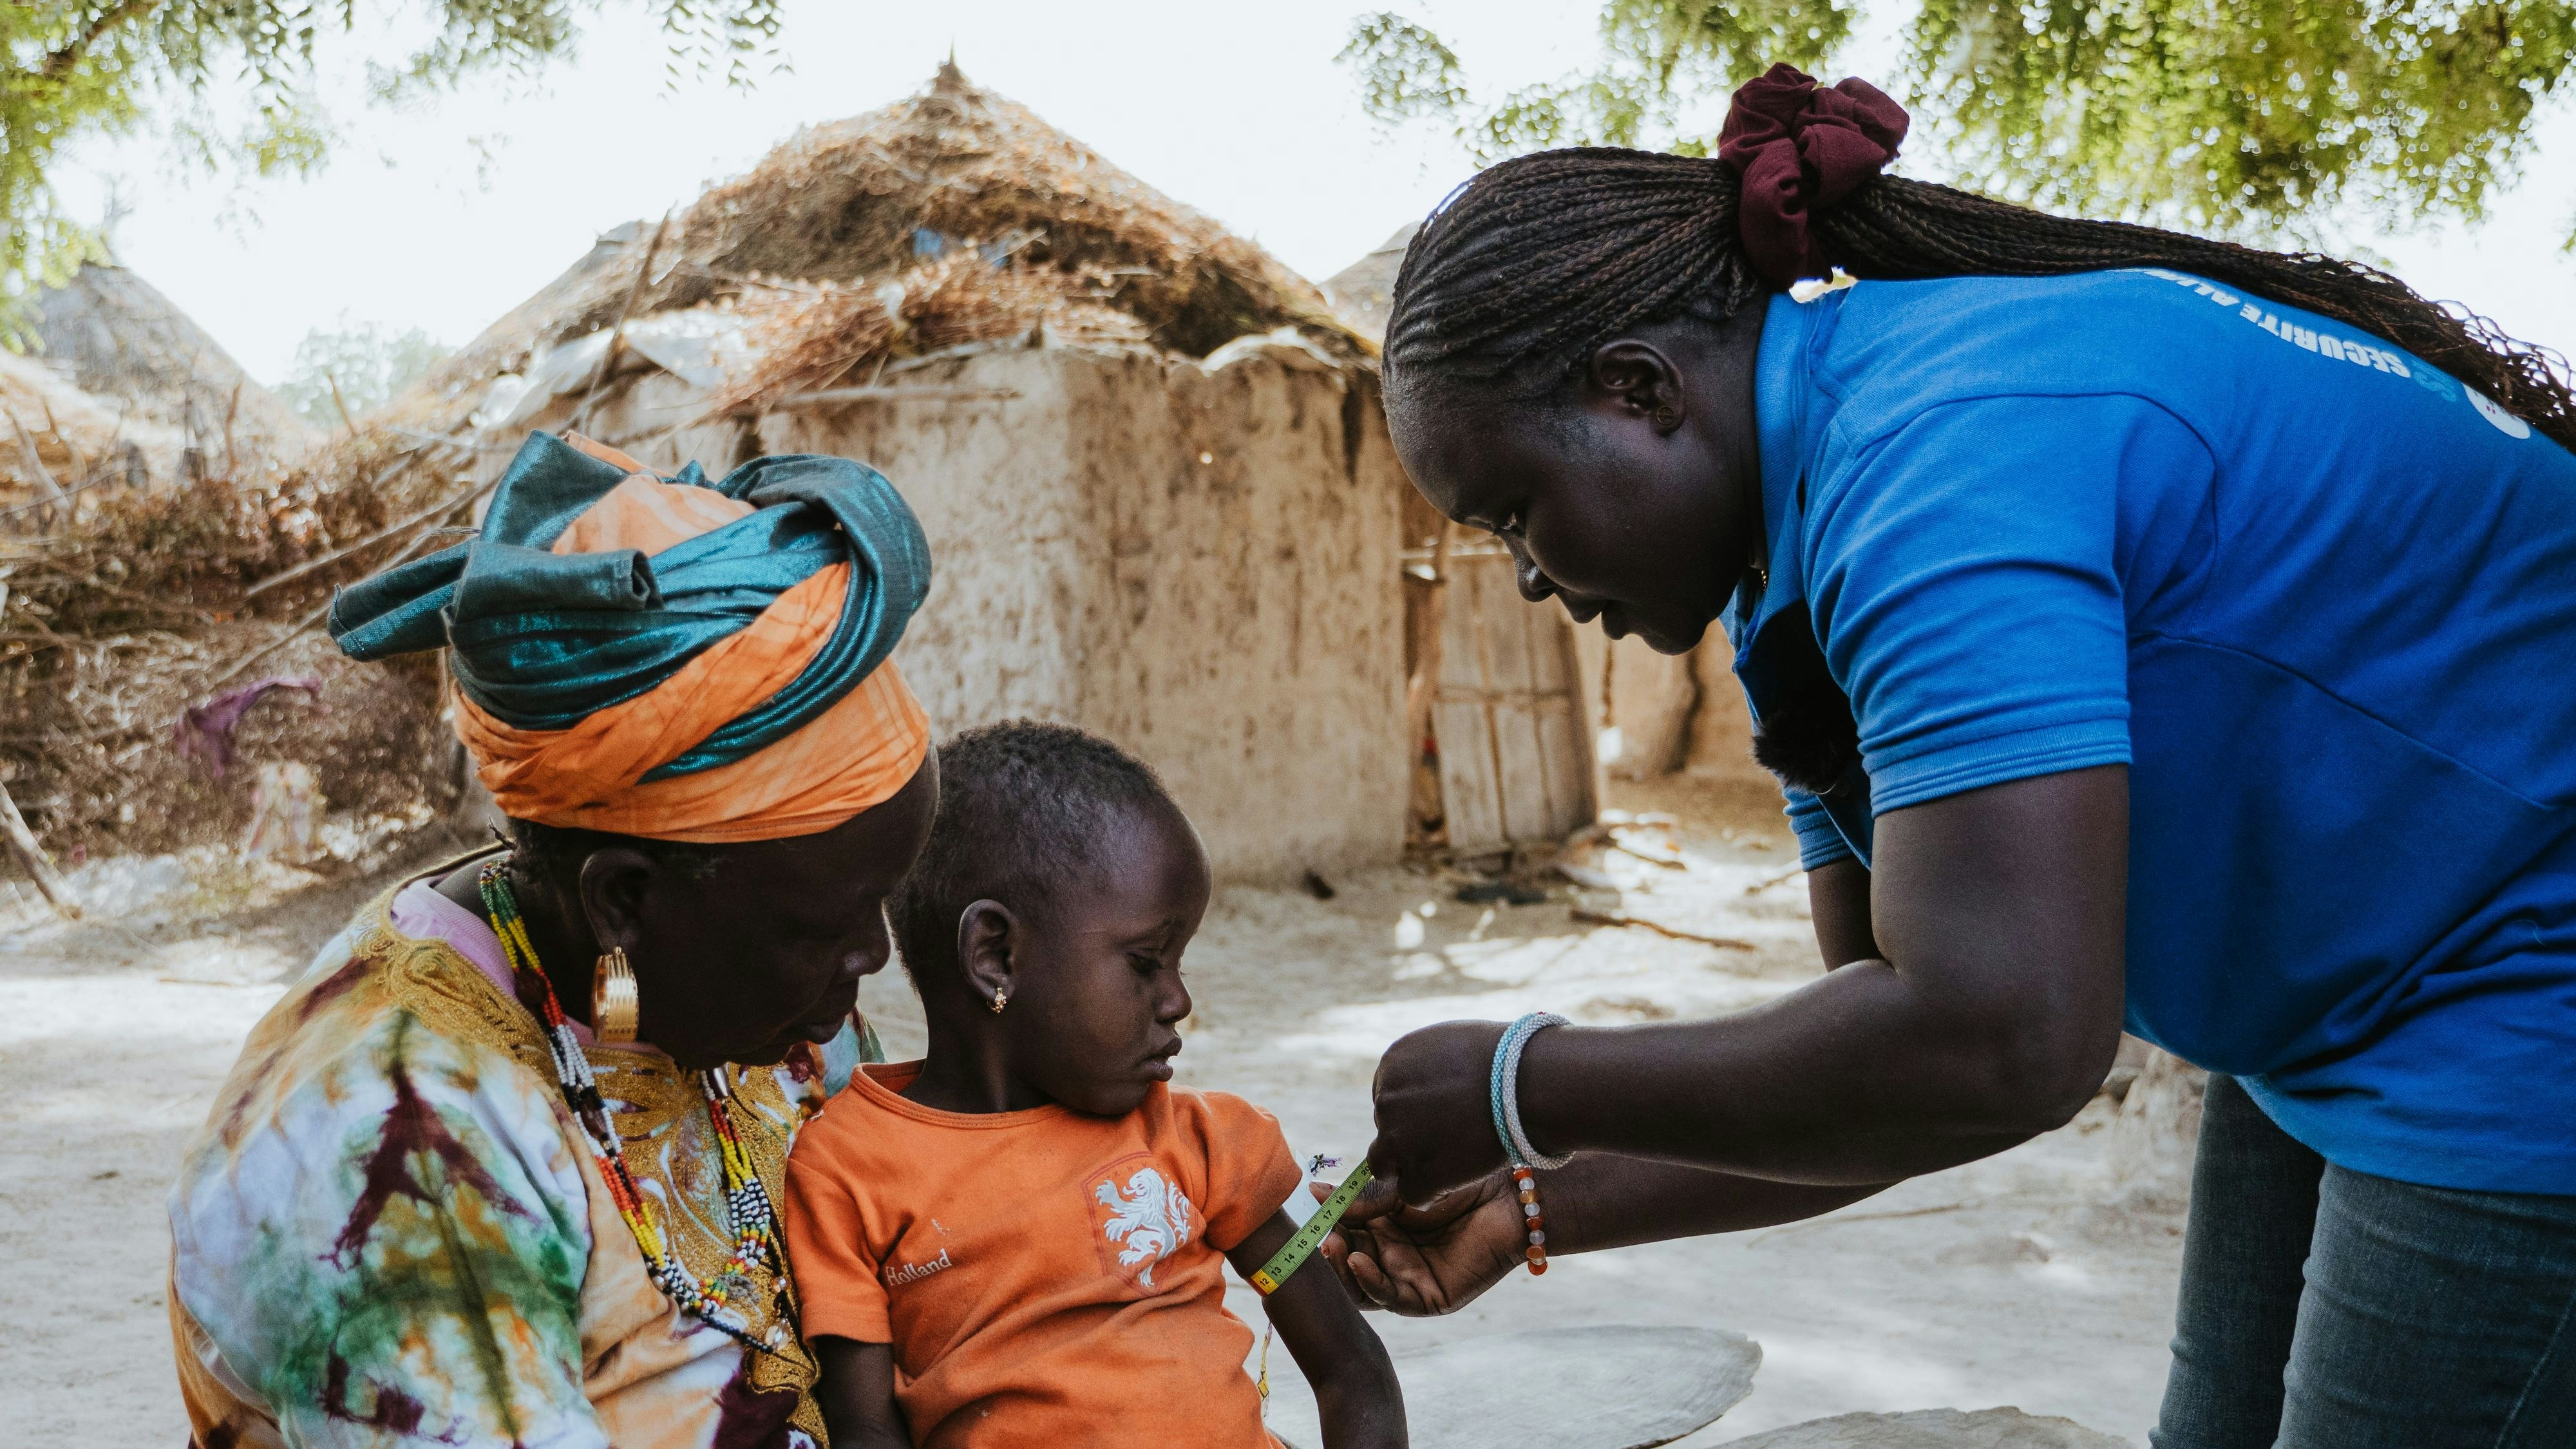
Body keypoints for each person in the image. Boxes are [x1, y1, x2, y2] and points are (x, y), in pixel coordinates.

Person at [1325, 63, 2576, 1449]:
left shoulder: (1933, 465)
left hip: (2517, 994)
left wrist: (1522, 1085)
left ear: (1638, 390)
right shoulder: (1787, 567)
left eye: (1514, 512)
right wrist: (1533, 1201)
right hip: (2355, 996)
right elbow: (1891, 1075)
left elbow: (2001, 1040)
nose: (1524, 578)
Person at [168, 430, 940, 1449]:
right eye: (827, 925)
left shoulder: (761, 1011)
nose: (874, 956)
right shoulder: (402, 1146)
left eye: (883, 901)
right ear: (621, 900)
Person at [782, 721, 1405, 1449]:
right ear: (995, 957)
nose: (1178, 1001)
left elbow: (1351, 1370)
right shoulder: (848, 1171)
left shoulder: (1201, 1145)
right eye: (1146, 963)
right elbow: (864, 1430)